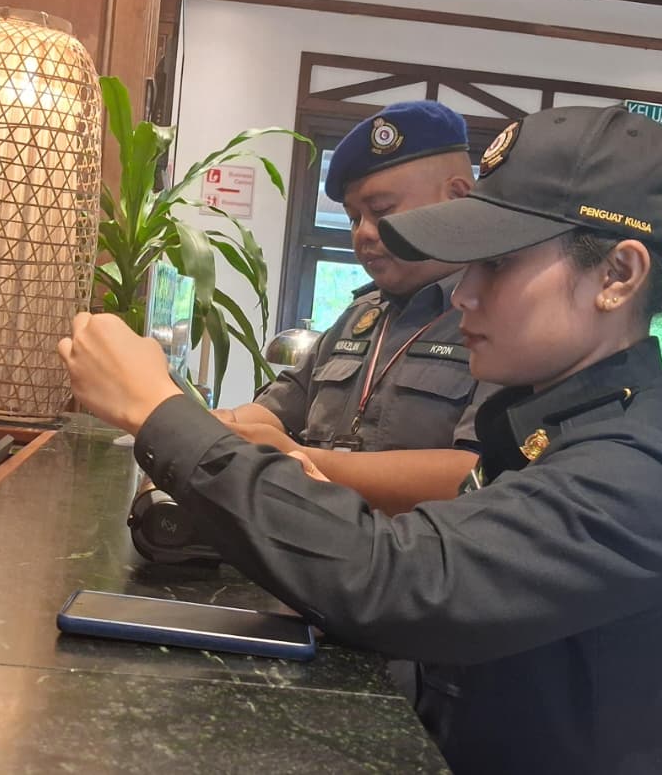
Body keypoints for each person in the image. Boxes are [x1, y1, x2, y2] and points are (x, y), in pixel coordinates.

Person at [59, 105, 662, 774]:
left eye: (498, 264)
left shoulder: (642, 469)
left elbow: (403, 577)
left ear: (617, 276)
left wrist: (161, 411)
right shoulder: (549, 419)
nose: (465, 293)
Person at [213, 100, 497, 515]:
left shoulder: (499, 320)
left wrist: (298, 460)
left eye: (381, 211)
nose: (363, 233)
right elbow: (280, 407)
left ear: (457, 197)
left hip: (415, 551)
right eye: (352, 218)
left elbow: (473, 476)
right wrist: (221, 429)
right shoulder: (361, 316)